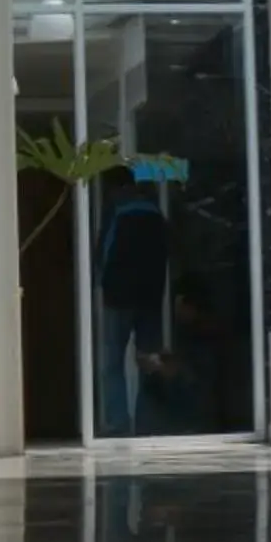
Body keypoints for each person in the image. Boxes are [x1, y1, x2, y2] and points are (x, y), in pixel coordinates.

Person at [93, 167, 172, 436]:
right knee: (147, 360)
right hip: (149, 298)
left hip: (118, 298)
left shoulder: (116, 211)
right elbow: (166, 256)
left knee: (112, 363)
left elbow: (103, 253)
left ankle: (118, 424)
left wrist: (100, 283)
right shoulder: (155, 213)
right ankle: (147, 422)